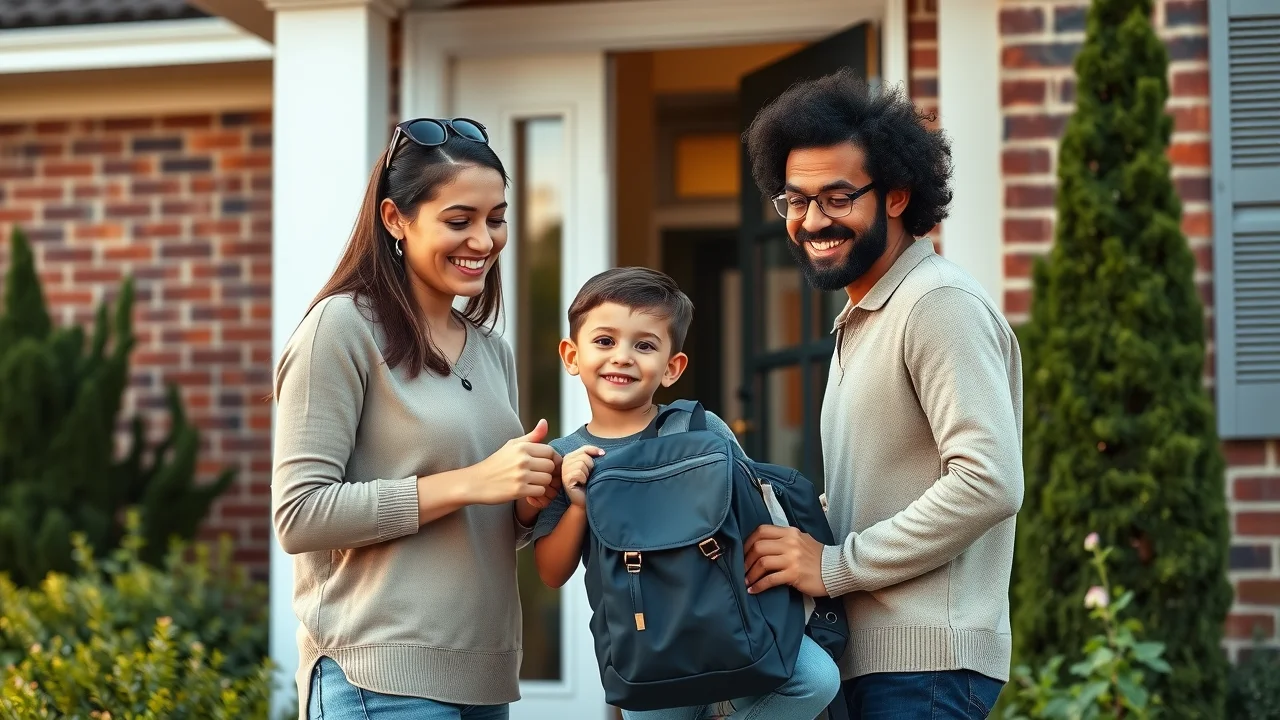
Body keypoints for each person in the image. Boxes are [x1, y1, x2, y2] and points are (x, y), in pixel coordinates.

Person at [739, 69, 1025, 719]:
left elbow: (990, 481)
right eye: (795, 200)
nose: (813, 221)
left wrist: (834, 566)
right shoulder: (865, 319)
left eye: (838, 198)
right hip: (877, 663)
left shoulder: (937, 305)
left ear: (896, 195)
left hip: (925, 668)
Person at [272, 117, 561, 720]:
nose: (483, 241)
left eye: (496, 219)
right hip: (379, 678)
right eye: (459, 221)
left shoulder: (489, 350)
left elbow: (484, 526)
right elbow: (299, 515)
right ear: (395, 219)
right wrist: (470, 482)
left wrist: (528, 501)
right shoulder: (341, 330)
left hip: (484, 677)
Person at [531, 266, 841, 720]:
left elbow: (753, 515)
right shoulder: (563, 457)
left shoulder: (700, 428)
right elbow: (551, 572)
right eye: (604, 341)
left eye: (644, 345)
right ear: (571, 355)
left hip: (730, 615)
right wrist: (578, 503)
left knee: (816, 680)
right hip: (643, 640)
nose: (623, 356)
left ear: (672, 367)